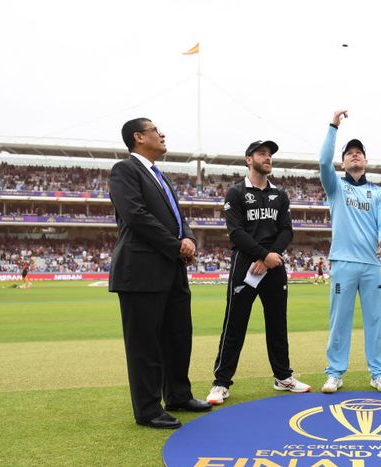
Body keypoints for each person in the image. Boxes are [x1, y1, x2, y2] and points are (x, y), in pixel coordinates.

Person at [109, 118, 211, 429]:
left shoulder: (159, 176)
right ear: (139, 137)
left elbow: (179, 218)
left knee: (178, 337)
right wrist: (176, 245)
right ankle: (148, 409)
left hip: (171, 269)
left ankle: (179, 395)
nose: (162, 134)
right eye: (155, 130)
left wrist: (189, 239)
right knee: (145, 345)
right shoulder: (124, 171)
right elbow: (136, 216)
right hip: (141, 271)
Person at [206, 140, 311, 405]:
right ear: (248, 159)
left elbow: (287, 230)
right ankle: (221, 382)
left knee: (278, 324)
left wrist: (271, 257)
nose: (267, 158)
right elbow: (236, 232)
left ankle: (283, 377)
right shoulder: (236, 193)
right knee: (235, 325)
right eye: (261, 154)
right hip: (246, 265)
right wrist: (263, 256)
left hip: (274, 266)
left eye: (270, 154)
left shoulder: (280, 194)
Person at [318, 110, 381, 394]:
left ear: (365, 160)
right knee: (340, 321)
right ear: (343, 161)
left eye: (359, 152)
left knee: (376, 320)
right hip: (343, 263)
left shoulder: (378, 192)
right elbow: (323, 160)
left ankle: (379, 373)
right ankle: (335, 373)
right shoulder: (335, 186)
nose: (354, 155)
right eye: (349, 153)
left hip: (372, 263)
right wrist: (333, 126)